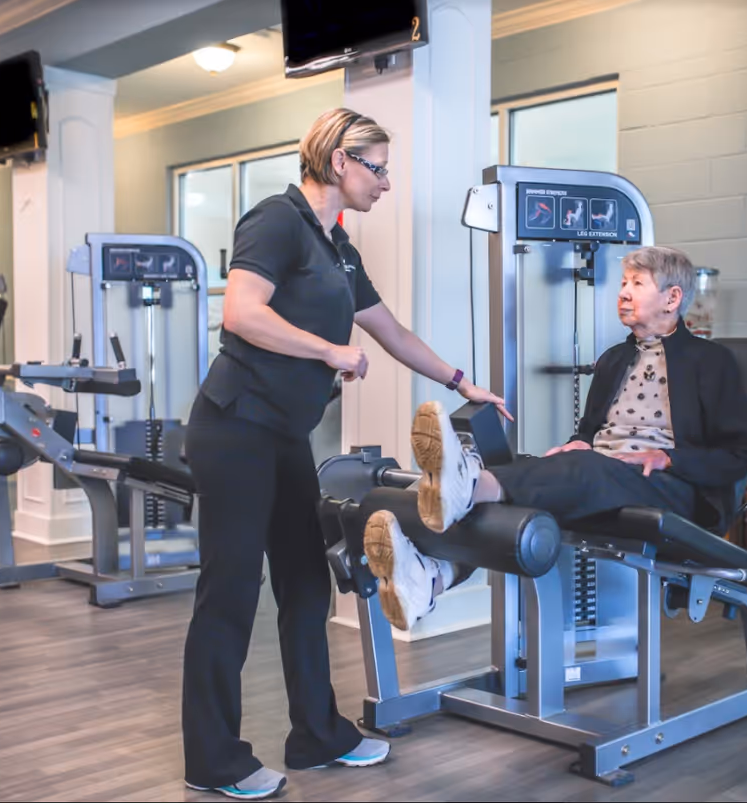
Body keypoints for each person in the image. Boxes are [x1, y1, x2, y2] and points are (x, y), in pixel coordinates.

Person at [181, 107, 508, 801]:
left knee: (304, 582)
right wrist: (330, 350)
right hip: (234, 426)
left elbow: (389, 329)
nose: (386, 182)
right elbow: (240, 312)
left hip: (281, 434)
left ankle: (317, 733)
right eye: (378, 167)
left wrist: (461, 381)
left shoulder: (336, 246)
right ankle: (213, 757)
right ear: (338, 162)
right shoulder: (276, 220)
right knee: (231, 591)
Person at [363, 245, 747, 633]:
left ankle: (466, 486)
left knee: (572, 471)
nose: (622, 292)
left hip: (671, 488)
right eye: (623, 282)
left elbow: (738, 455)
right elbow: (588, 433)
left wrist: (669, 458)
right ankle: (434, 576)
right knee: (521, 468)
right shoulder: (614, 360)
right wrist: (577, 443)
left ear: (672, 298)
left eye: (637, 283)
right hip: (606, 474)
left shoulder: (711, 361)